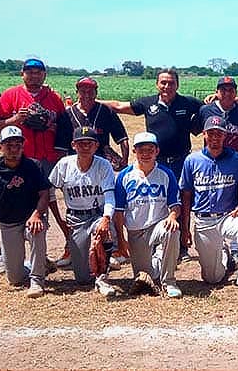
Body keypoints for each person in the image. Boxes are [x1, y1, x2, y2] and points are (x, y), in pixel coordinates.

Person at [101, 68, 202, 262]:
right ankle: (157, 243)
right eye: (163, 82)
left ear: (177, 85)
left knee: (181, 201)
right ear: (157, 84)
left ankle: (181, 246)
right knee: (156, 200)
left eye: (171, 83)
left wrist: (232, 99)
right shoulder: (148, 103)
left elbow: (213, 105)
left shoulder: (187, 103)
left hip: (181, 161)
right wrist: (93, 102)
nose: (167, 86)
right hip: (156, 162)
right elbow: (119, 106)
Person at [0, 58, 67, 275]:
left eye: (38, 72)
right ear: (22, 74)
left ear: (44, 75)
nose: (34, 75)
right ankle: (7, 256)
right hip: (20, 161)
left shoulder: (53, 98)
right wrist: (15, 119)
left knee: (41, 207)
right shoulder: (10, 95)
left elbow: (62, 127)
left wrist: (49, 123)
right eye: (30, 71)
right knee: (12, 204)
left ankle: (39, 256)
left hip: (47, 160)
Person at [55, 76, 130, 269]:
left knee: (106, 205)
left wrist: (124, 158)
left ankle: (112, 249)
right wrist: (62, 168)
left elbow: (121, 136)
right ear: (77, 91)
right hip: (75, 165)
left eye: (91, 90)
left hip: (100, 164)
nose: (87, 94)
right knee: (75, 208)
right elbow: (61, 146)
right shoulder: (67, 114)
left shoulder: (105, 111)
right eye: (83, 90)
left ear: (96, 92)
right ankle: (71, 248)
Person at [179, 116, 238, 298]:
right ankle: (224, 254)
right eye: (211, 133)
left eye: (220, 134)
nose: (215, 137)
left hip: (227, 217)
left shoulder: (237, 159)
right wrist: (185, 228)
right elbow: (186, 195)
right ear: (204, 135)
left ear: (226, 136)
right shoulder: (192, 160)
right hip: (204, 220)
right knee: (213, 278)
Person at [0, 126, 50, 298]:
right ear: (0, 148)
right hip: (8, 223)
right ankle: (40, 264)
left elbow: (44, 194)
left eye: (18, 144)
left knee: (37, 229)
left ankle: (37, 280)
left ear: (23, 146)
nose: (14, 149)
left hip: (31, 219)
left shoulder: (34, 166)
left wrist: (37, 214)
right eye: (8, 145)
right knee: (15, 279)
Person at [49, 126, 118, 297]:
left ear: (96, 146)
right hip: (75, 218)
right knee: (82, 279)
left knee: (105, 232)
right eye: (81, 143)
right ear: (73, 145)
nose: (85, 147)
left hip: (97, 214)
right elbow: (49, 192)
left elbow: (110, 196)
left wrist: (106, 218)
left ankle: (103, 278)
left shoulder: (103, 165)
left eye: (90, 143)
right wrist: (60, 221)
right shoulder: (64, 165)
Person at [113, 132, 183, 299]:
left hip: (158, 225)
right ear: (134, 152)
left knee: (172, 231)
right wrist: (122, 241)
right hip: (136, 232)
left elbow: (175, 204)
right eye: (141, 150)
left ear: (157, 151)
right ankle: (158, 260)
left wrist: (172, 216)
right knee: (145, 276)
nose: (145, 154)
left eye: (150, 149)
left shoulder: (166, 174)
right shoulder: (124, 176)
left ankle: (169, 282)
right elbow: (119, 211)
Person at [192, 76, 238, 155]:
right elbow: (194, 130)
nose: (227, 93)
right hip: (212, 159)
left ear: (236, 93)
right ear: (216, 92)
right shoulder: (206, 110)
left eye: (231, 90)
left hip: (234, 160)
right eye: (223, 90)